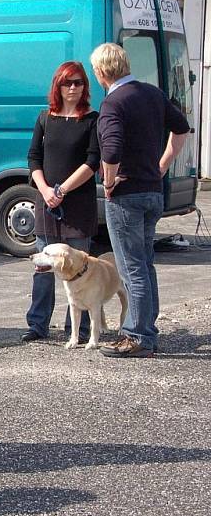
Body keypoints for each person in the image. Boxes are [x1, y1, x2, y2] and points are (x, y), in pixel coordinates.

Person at [90, 43, 190, 358]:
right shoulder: (152, 93)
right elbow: (182, 128)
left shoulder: (112, 103)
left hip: (127, 194)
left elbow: (112, 149)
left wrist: (108, 181)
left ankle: (138, 336)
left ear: (102, 72)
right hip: (153, 191)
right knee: (145, 263)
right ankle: (147, 327)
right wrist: (161, 166)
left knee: (131, 265)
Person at [22, 61, 99, 343]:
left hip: (77, 205)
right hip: (46, 203)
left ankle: (77, 329)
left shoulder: (92, 119)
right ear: (58, 86)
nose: (74, 88)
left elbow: (93, 161)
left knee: (80, 269)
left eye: (79, 83)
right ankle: (37, 324)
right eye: (68, 83)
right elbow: (33, 157)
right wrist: (44, 190)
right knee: (42, 268)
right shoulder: (45, 118)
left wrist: (62, 190)